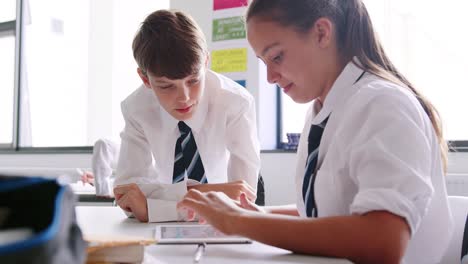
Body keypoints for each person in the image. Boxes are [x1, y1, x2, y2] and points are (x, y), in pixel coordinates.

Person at [177, 1, 453, 263]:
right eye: (264, 62)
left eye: (277, 56)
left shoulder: (383, 104)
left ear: (321, 33)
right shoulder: (322, 110)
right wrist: (250, 213)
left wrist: (239, 221)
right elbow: (324, 210)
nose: (270, 77)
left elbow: (384, 241)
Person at [112, 9, 261, 223]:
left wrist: (155, 207)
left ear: (206, 63)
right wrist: (212, 192)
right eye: (166, 86)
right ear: (145, 80)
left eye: (193, 81)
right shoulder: (136, 109)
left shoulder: (236, 102)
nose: (184, 98)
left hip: (219, 225)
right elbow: (126, 197)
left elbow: (241, 200)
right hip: (162, 228)